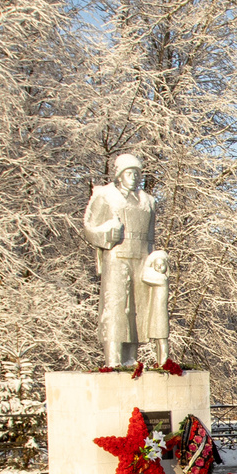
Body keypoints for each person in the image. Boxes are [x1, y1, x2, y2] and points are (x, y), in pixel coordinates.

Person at [83, 153, 169, 367]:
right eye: (129, 173)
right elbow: (89, 227)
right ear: (119, 175)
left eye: (137, 174)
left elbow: (151, 236)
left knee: (138, 310)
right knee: (116, 307)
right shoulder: (105, 196)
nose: (134, 177)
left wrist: (153, 261)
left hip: (141, 258)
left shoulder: (148, 202)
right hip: (116, 256)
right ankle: (112, 360)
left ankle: (131, 359)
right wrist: (105, 235)